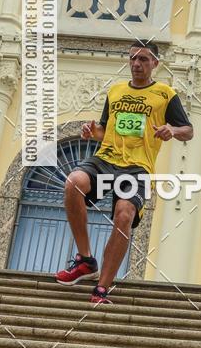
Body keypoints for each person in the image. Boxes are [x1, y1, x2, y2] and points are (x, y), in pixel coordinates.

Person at [56, 40, 193, 303]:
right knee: (73, 182)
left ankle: (102, 288)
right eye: (132, 58)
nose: (136, 64)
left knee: (124, 215)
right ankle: (85, 259)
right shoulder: (116, 91)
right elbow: (106, 130)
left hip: (137, 168)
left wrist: (172, 130)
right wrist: (92, 132)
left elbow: (188, 130)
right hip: (106, 159)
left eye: (143, 59)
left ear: (155, 63)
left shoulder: (165, 94)